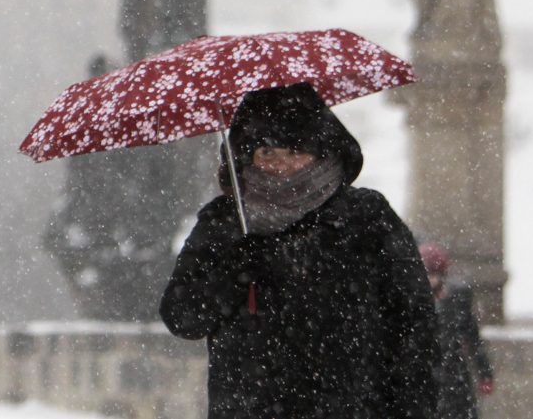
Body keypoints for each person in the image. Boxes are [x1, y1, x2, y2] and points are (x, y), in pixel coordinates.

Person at [160, 83, 439, 418]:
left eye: (294, 152)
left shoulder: (366, 218)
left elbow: (414, 322)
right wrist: (232, 273)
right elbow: (181, 316)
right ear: (246, 157)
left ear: (322, 151)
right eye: (267, 153)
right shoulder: (225, 222)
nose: (281, 166)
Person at [419, 243, 495, 419]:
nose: (430, 280)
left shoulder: (457, 302)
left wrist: (485, 374)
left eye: (433, 274)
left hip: (455, 380)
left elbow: (474, 339)